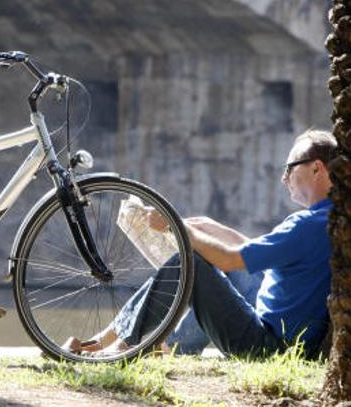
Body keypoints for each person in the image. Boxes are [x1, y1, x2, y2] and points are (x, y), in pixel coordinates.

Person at [66, 129, 336, 359]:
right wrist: (214, 229)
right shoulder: (328, 219)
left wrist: (175, 225)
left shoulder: (306, 226)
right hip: (284, 331)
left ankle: (121, 346)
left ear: (316, 168)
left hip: (267, 345)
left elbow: (230, 259)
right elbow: (254, 252)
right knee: (214, 267)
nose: (284, 178)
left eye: (289, 168)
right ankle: (142, 344)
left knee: (192, 262)